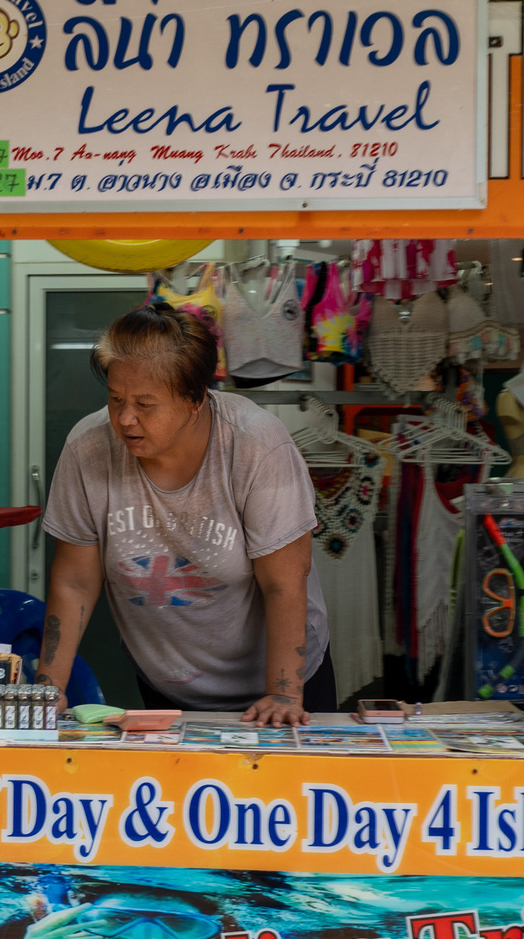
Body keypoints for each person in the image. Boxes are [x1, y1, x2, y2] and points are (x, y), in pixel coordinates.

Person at [35, 299, 332, 725]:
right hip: (167, 685)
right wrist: (48, 689)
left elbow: (285, 583)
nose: (125, 418)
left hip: (281, 685)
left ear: (196, 399)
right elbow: (75, 582)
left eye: (146, 404)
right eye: (115, 398)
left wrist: (283, 694)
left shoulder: (257, 445)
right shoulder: (89, 447)